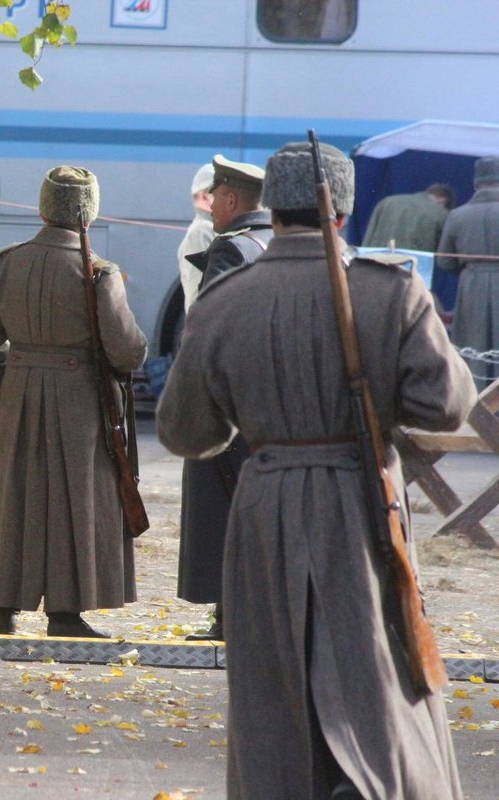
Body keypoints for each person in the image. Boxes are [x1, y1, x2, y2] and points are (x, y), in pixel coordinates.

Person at [157, 140, 472, 800]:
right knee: (375, 668)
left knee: (273, 684)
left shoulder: (224, 298)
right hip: (363, 501)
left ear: (269, 208)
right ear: (343, 211)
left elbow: (188, 432)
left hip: (265, 502)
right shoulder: (392, 291)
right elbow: (445, 407)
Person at [0, 165, 147, 638]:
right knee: (74, 502)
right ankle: (65, 614)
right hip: (80, 403)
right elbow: (127, 351)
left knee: (16, 502)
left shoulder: (7, 263)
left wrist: (8, 396)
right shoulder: (99, 274)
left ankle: (3, 607)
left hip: (21, 395)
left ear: (45, 207)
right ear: (89, 212)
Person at [176, 155, 272, 641]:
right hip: (272, 408)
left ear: (232, 200)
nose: (209, 206)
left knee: (224, 514)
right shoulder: (271, 242)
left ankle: (228, 616)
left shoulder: (231, 250)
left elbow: (209, 332)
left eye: (215, 197)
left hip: (231, 407)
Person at [437, 157, 499, 388]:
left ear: (476, 183)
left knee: (474, 350)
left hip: (471, 287)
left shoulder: (457, 215)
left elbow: (444, 260)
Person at [363, 183, 454, 251]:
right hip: (410, 271)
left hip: (373, 266)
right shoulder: (441, 214)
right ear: (443, 201)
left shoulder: (387, 202)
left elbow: (369, 236)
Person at [178, 162, 216, 311]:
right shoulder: (201, 233)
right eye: (218, 193)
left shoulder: (208, 229)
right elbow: (197, 299)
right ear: (204, 197)